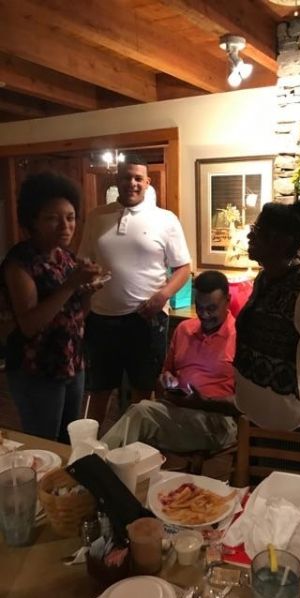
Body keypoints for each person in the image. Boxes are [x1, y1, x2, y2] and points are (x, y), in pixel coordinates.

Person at [78, 154, 191, 423]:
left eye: (138, 178)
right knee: (98, 390)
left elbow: (184, 268)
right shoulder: (96, 217)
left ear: (147, 182)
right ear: (116, 180)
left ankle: (136, 444)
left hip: (147, 320)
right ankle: (89, 443)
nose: (132, 183)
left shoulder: (166, 219)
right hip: (101, 319)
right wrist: (87, 280)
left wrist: (162, 296)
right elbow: (83, 260)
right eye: (126, 177)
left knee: (144, 391)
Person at [0, 171, 103, 442]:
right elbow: (29, 325)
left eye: (70, 217)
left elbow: (77, 315)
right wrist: (71, 285)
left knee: (70, 441)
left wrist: (87, 293)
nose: (65, 226)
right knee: (44, 443)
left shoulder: (66, 257)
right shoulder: (20, 263)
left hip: (71, 362)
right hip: (36, 369)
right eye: (52, 219)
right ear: (32, 221)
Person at [234, 197, 300, 434]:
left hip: (290, 423)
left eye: (258, 230)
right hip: (253, 413)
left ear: (281, 242)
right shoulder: (264, 280)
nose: (250, 236)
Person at [101, 270, 237, 453]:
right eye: (199, 307)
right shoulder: (184, 329)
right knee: (139, 413)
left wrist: (205, 402)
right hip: (177, 410)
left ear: (227, 300)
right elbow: (165, 375)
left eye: (211, 308)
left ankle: (96, 460)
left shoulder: (241, 338)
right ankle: (105, 462)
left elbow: (244, 404)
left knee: (141, 417)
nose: (204, 314)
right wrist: (166, 380)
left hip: (217, 420)